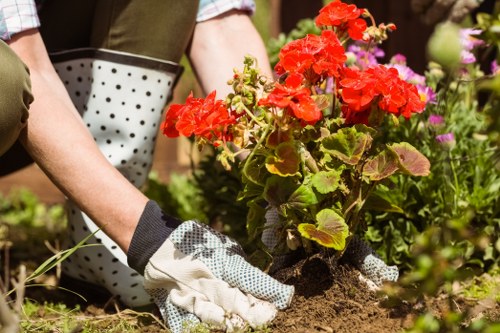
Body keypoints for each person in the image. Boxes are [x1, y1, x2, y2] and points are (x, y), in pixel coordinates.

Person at [0, 1, 397, 332]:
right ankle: (120, 229)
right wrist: (150, 237)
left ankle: (98, 248)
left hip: (49, 73)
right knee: (7, 82)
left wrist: (293, 196)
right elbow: (26, 62)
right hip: (14, 103)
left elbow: (220, 24)